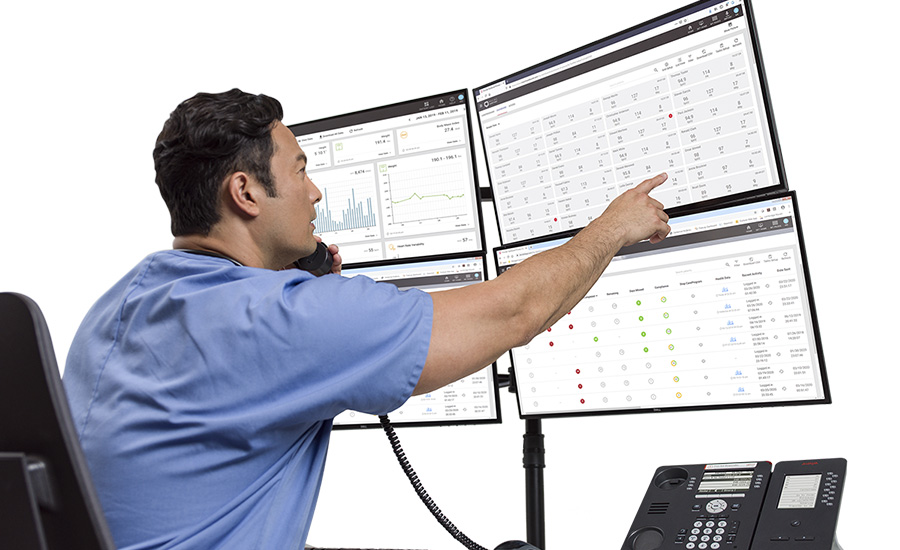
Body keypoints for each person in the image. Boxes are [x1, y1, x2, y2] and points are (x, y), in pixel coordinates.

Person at [63, 88, 670, 550]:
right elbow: (518, 309)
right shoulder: (290, 318)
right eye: (300, 170)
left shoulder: (119, 303)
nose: (317, 193)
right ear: (245, 194)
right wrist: (613, 228)